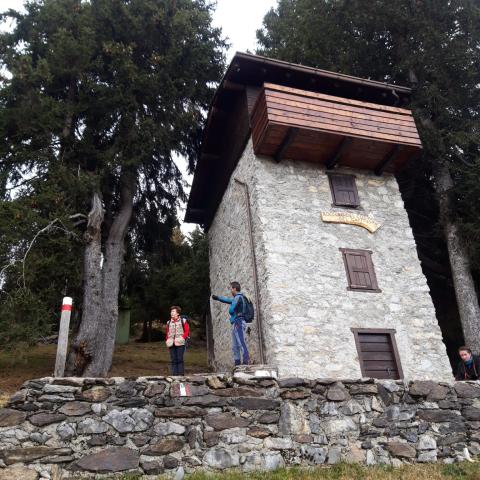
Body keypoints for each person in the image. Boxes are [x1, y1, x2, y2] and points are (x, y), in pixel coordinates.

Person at [212, 281, 249, 366]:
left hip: (238, 322)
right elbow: (228, 300)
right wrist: (218, 298)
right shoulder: (239, 297)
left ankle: (245, 362)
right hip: (237, 322)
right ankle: (238, 364)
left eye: (231, 289)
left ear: (234, 289)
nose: (230, 290)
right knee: (235, 345)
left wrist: (231, 310)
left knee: (241, 342)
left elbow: (231, 310)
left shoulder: (237, 297)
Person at [165, 305, 189, 376]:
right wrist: (167, 340)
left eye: (173, 311)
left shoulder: (183, 321)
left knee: (179, 359)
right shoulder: (168, 322)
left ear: (178, 313)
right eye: (171, 311)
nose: (171, 313)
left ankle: (180, 375)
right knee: (173, 360)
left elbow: (187, 331)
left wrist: (182, 338)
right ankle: (174, 375)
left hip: (180, 343)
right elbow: (167, 332)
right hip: (171, 343)